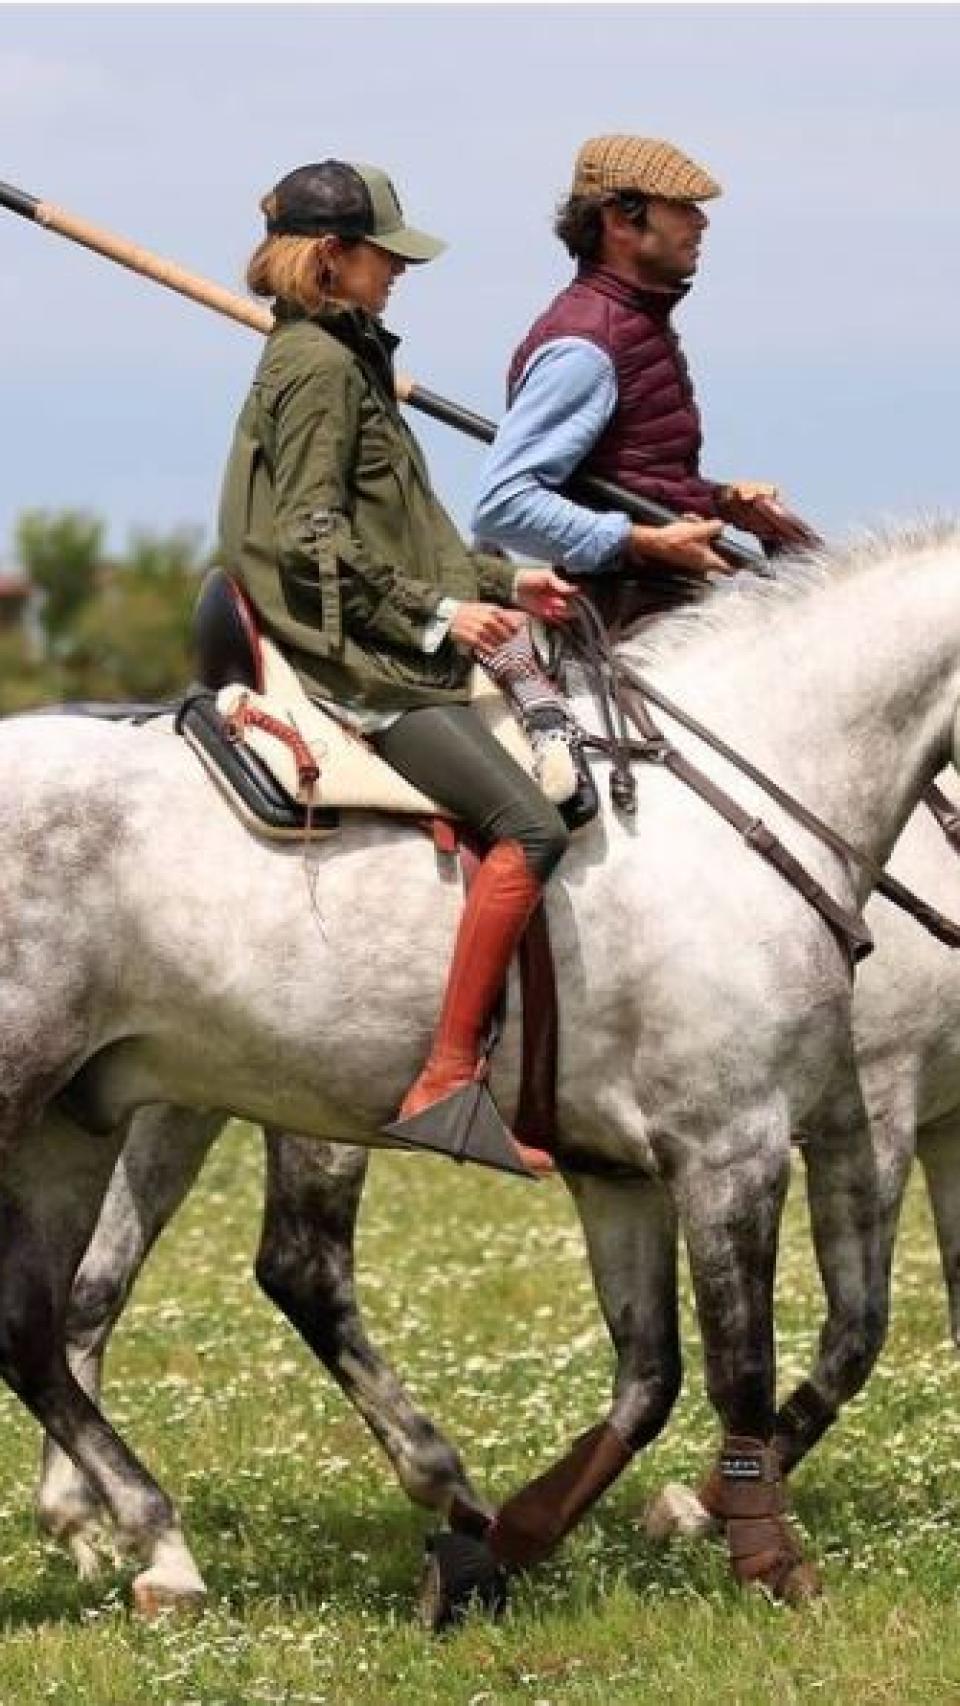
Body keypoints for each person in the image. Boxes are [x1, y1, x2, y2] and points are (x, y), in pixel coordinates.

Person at [217, 160, 577, 1172]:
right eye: (386, 254)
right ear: (333, 257)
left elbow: (403, 529)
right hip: (355, 660)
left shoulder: (336, 353)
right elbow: (312, 537)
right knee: (533, 826)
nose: (399, 272)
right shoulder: (321, 369)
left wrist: (505, 582)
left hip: (384, 624)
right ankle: (446, 1079)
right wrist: (441, 615)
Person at [472, 134, 807, 618]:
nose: (701, 221)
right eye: (682, 206)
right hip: (624, 621)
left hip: (660, 606)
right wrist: (643, 541)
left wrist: (718, 502)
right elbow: (504, 505)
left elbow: (631, 478)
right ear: (618, 220)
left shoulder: (633, 325)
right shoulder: (584, 345)